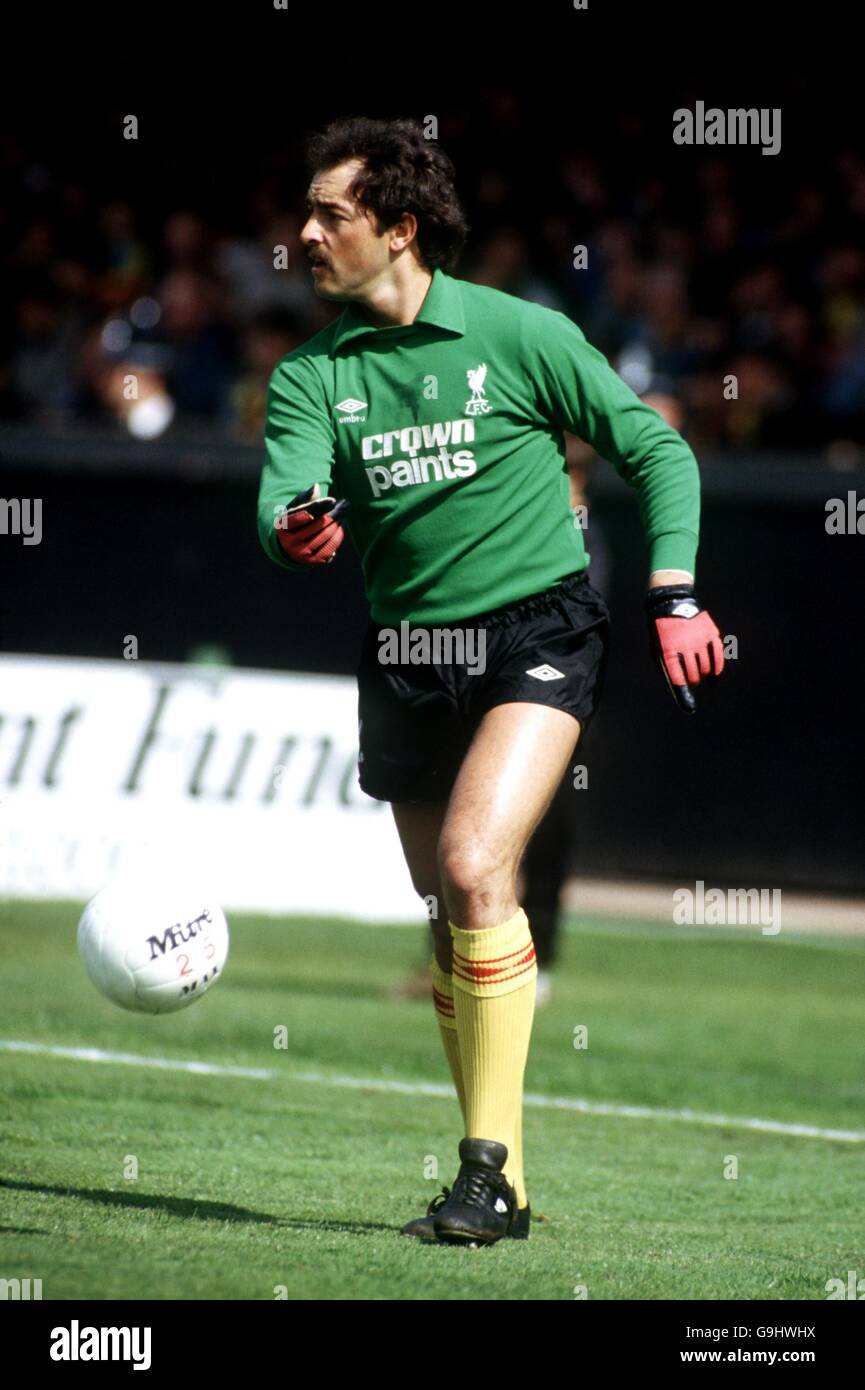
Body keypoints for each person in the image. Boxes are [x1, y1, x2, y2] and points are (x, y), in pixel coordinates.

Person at [257, 117, 725, 1248]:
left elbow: (656, 448)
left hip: (539, 625)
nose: (305, 234)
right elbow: (284, 503)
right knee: (448, 913)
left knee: (475, 866)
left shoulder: (520, 333)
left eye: (331, 214)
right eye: (308, 212)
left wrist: (672, 592)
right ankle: (502, 1182)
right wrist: (299, 528)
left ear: (401, 229)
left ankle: (483, 1170)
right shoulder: (310, 374)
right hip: (406, 648)